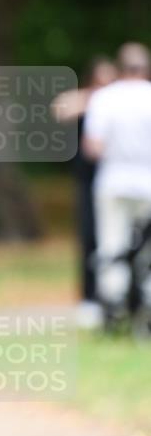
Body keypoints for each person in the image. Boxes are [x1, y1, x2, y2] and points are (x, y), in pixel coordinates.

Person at [82, 42, 151, 327]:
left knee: (112, 242)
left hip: (113, 181)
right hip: (148, 182)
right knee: (147, 247)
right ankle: (146, 303)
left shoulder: (105, 99)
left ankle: (113, 303)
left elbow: (93, 146)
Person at [51, 57, 117, 328]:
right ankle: (89, 299)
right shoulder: (86, 102)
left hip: (114, 180)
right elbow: (60, 109)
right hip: (89, 182)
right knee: (88, 239)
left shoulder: (120, 104)